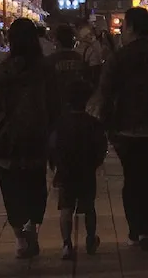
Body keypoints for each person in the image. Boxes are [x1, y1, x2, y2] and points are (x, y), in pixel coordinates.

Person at [95, 6, 148, 251]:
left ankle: (135, 229)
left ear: (131, 28)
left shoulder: (120, 57)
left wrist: (107, 124)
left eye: (123, 27)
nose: (121, 32)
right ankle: (147, 230)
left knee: (132, 179)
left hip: (127, 129)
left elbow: (105, 91)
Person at [0, 18, 58, 259]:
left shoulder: (3, 69)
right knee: (36, 184)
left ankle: (20, 238)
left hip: (7, 138)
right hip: (37, 135)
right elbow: (54, 104)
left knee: (11, 187)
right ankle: (31, 226)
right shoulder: (45, 68)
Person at [50, 80, 107, 260]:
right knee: (89, 206)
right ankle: (90, 238)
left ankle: (67, 244)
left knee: (66, 207)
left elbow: (52, 145)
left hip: (66, 171)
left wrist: (54, 164)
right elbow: (101, 147)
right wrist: (96, 163)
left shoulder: (60, 123)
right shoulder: (93, 123)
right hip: (86, 170)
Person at [47, 24, 87, 105]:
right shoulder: (80, 58)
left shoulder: (51, 60)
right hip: (77, 101)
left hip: (57, 101)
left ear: (57, 41)